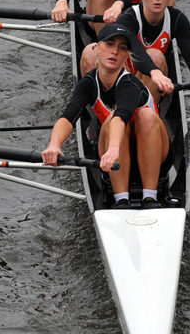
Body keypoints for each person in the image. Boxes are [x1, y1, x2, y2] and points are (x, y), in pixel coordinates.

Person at [42, 22, 169, 209]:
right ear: (96, 49)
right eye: (110, 44)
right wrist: (54, 145)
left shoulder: (130, 84)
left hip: (153, 156)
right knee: (111, 119)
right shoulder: (88, 83)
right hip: (114, 161)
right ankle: (121, 200)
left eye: (122, 48)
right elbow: (68, 117)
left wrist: (113, 150)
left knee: (144, 116)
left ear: (126, 57)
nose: (115, 51)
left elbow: (120, 117)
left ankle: (150, 197)